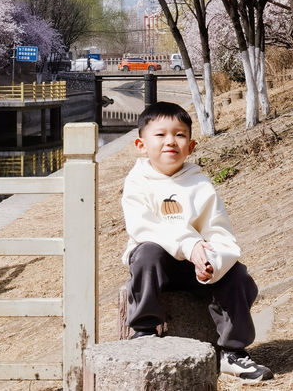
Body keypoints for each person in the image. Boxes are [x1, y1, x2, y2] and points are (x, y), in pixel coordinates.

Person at [121, 101, 273, 383]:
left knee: (236, 275)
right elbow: (144, 227)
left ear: (190, 147)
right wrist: (189, 245)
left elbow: (218, 230)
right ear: (141, 145)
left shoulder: (199, 182)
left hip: (197, 267)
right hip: (158, 266)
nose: (171, 141)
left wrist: (212, 261)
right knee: (147, 254)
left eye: (180, 135)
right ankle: (143, 331)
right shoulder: (137, 181)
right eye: (161, 135)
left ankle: (233, 352)